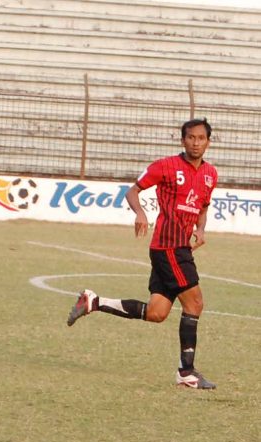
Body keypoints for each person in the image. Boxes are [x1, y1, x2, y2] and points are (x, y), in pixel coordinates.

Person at [66, 117, 217, 390]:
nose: (196, 143)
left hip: (179, 246)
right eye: (191, 137)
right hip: (169, 246)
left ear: (208, 141)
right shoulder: (165, 166)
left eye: (201, 138)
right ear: (182, 140)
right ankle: (187, 372)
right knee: (194, 304)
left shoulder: (210, 174)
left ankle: (93, 301)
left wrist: (201, 230)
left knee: (157, 313)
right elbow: (133, 191)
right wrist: (140, 212)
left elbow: (203, 207)